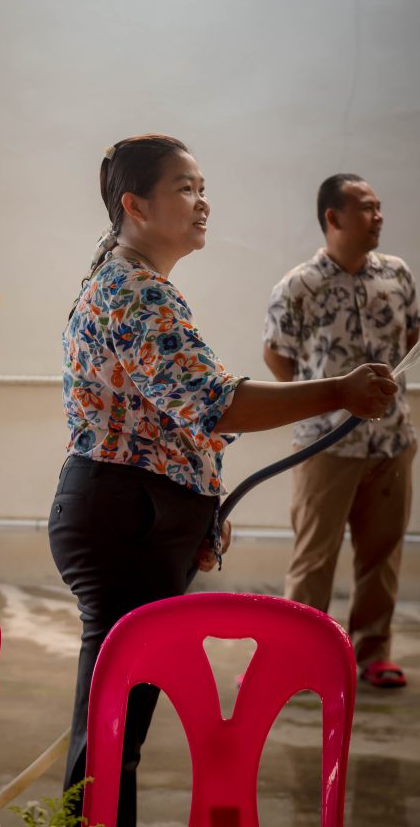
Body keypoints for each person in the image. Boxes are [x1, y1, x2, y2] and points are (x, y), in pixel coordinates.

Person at [49, 139, 396, 827]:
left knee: (115, 725)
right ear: (135, 205)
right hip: (123, 517)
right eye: (184, 188)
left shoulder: (133, 280)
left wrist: (196, 495)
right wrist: (339, 391)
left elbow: (171, 416)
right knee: (113, 729)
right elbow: (215, 402)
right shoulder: (133, 290)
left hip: (133, 512)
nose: (202, 202)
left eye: (202, 186)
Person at [263, 173, 418, 689]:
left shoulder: (397, 274)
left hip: (392, 441)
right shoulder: (299, 286)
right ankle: (297, 660)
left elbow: (412, 336)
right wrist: (322, 404)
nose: (378, 217)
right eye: (367, 208)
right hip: (324, 445)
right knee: (314, 557)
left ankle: (374, 653)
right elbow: (277, 357)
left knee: (382, 553)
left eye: (379, 207)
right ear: (333, 217)